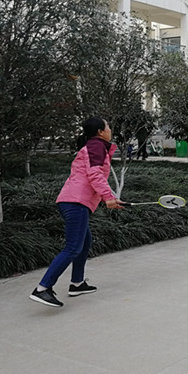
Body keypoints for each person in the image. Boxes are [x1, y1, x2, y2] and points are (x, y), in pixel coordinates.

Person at [30, 117, 124, 308]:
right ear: (100, 132)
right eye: (107, 126)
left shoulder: (94, 146)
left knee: (85, 242)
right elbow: (95, 174)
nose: (110, 129)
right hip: (76, 203)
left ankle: (77, 283)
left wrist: (109, 197)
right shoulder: (96, 146)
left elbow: (91, 177)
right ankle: (42, 288)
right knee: (73, 247)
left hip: (74, 201)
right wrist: (108, 197)